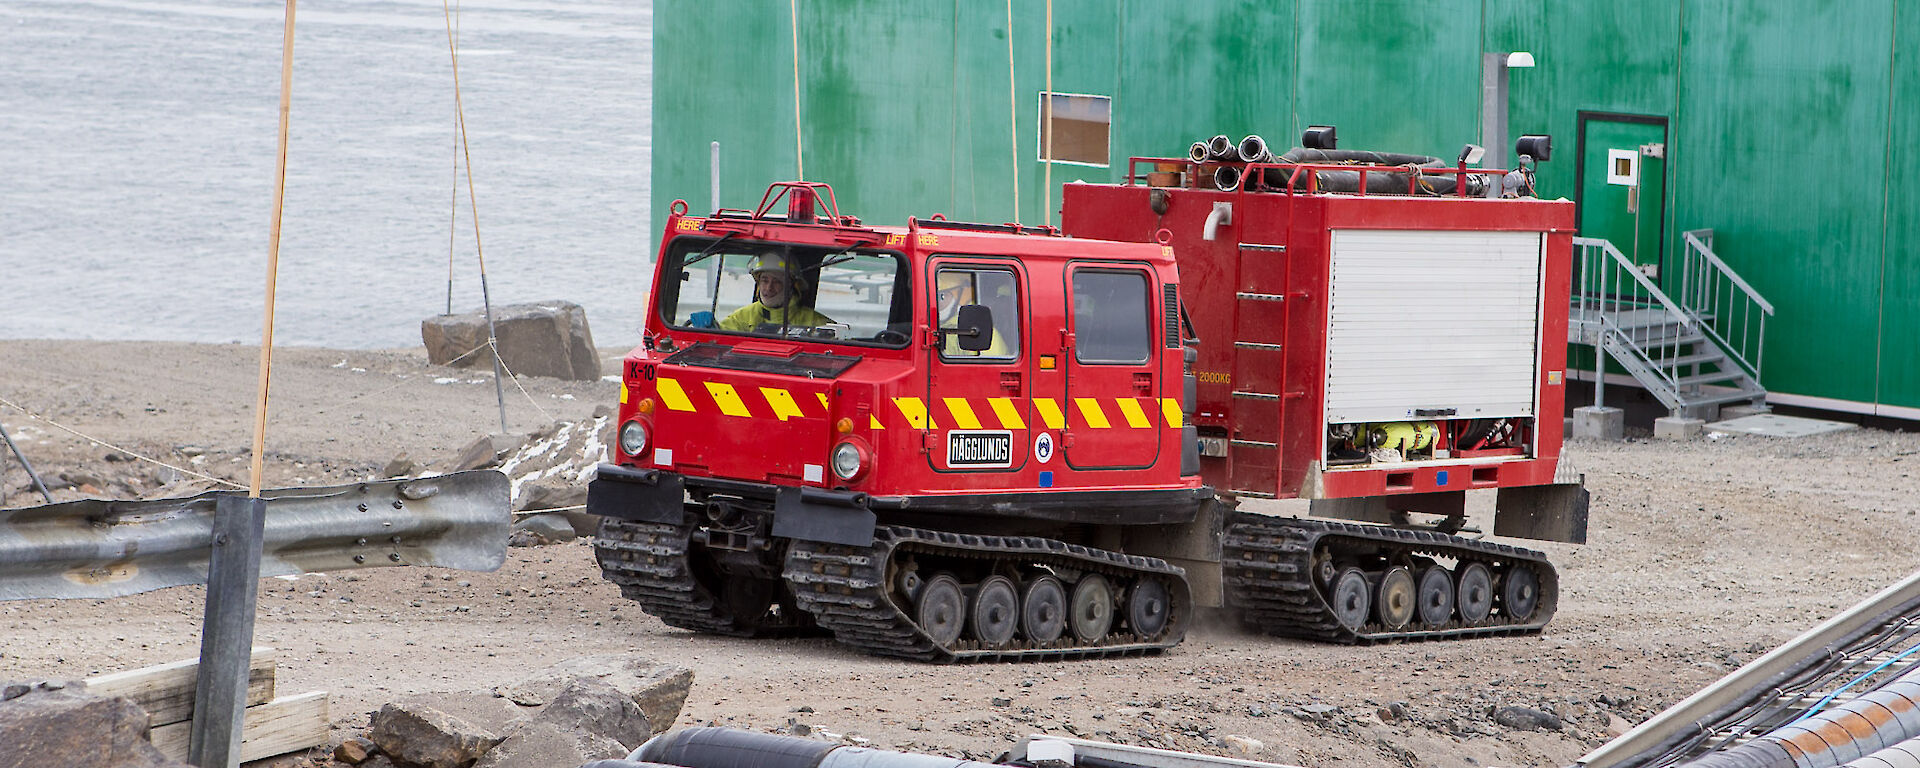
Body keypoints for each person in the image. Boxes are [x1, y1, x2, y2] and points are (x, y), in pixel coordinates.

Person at [719, 252, 834, 332]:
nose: (769, 288)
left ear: (790, 285)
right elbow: (717, 339)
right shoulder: (741, 317)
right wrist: (709, 328)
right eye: (765, 280)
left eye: (777, 282)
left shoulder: (816, 323)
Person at [937, 270, 1012, 357]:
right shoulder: (949, 329)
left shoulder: (964, 332)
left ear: (962, 295)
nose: (936, 303)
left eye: (941, 297)